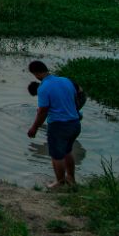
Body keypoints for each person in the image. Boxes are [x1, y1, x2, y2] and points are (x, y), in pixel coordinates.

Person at [26, 60, 81, 188]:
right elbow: (76, 98)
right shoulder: (66, 81)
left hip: (59, 126)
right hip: (75, 124)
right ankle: (71, 179)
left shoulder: (43, 88)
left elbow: (43, 111)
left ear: (36, 73)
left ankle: (60, 182)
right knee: (68, 151)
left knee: (56, 156)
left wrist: (34, 128)